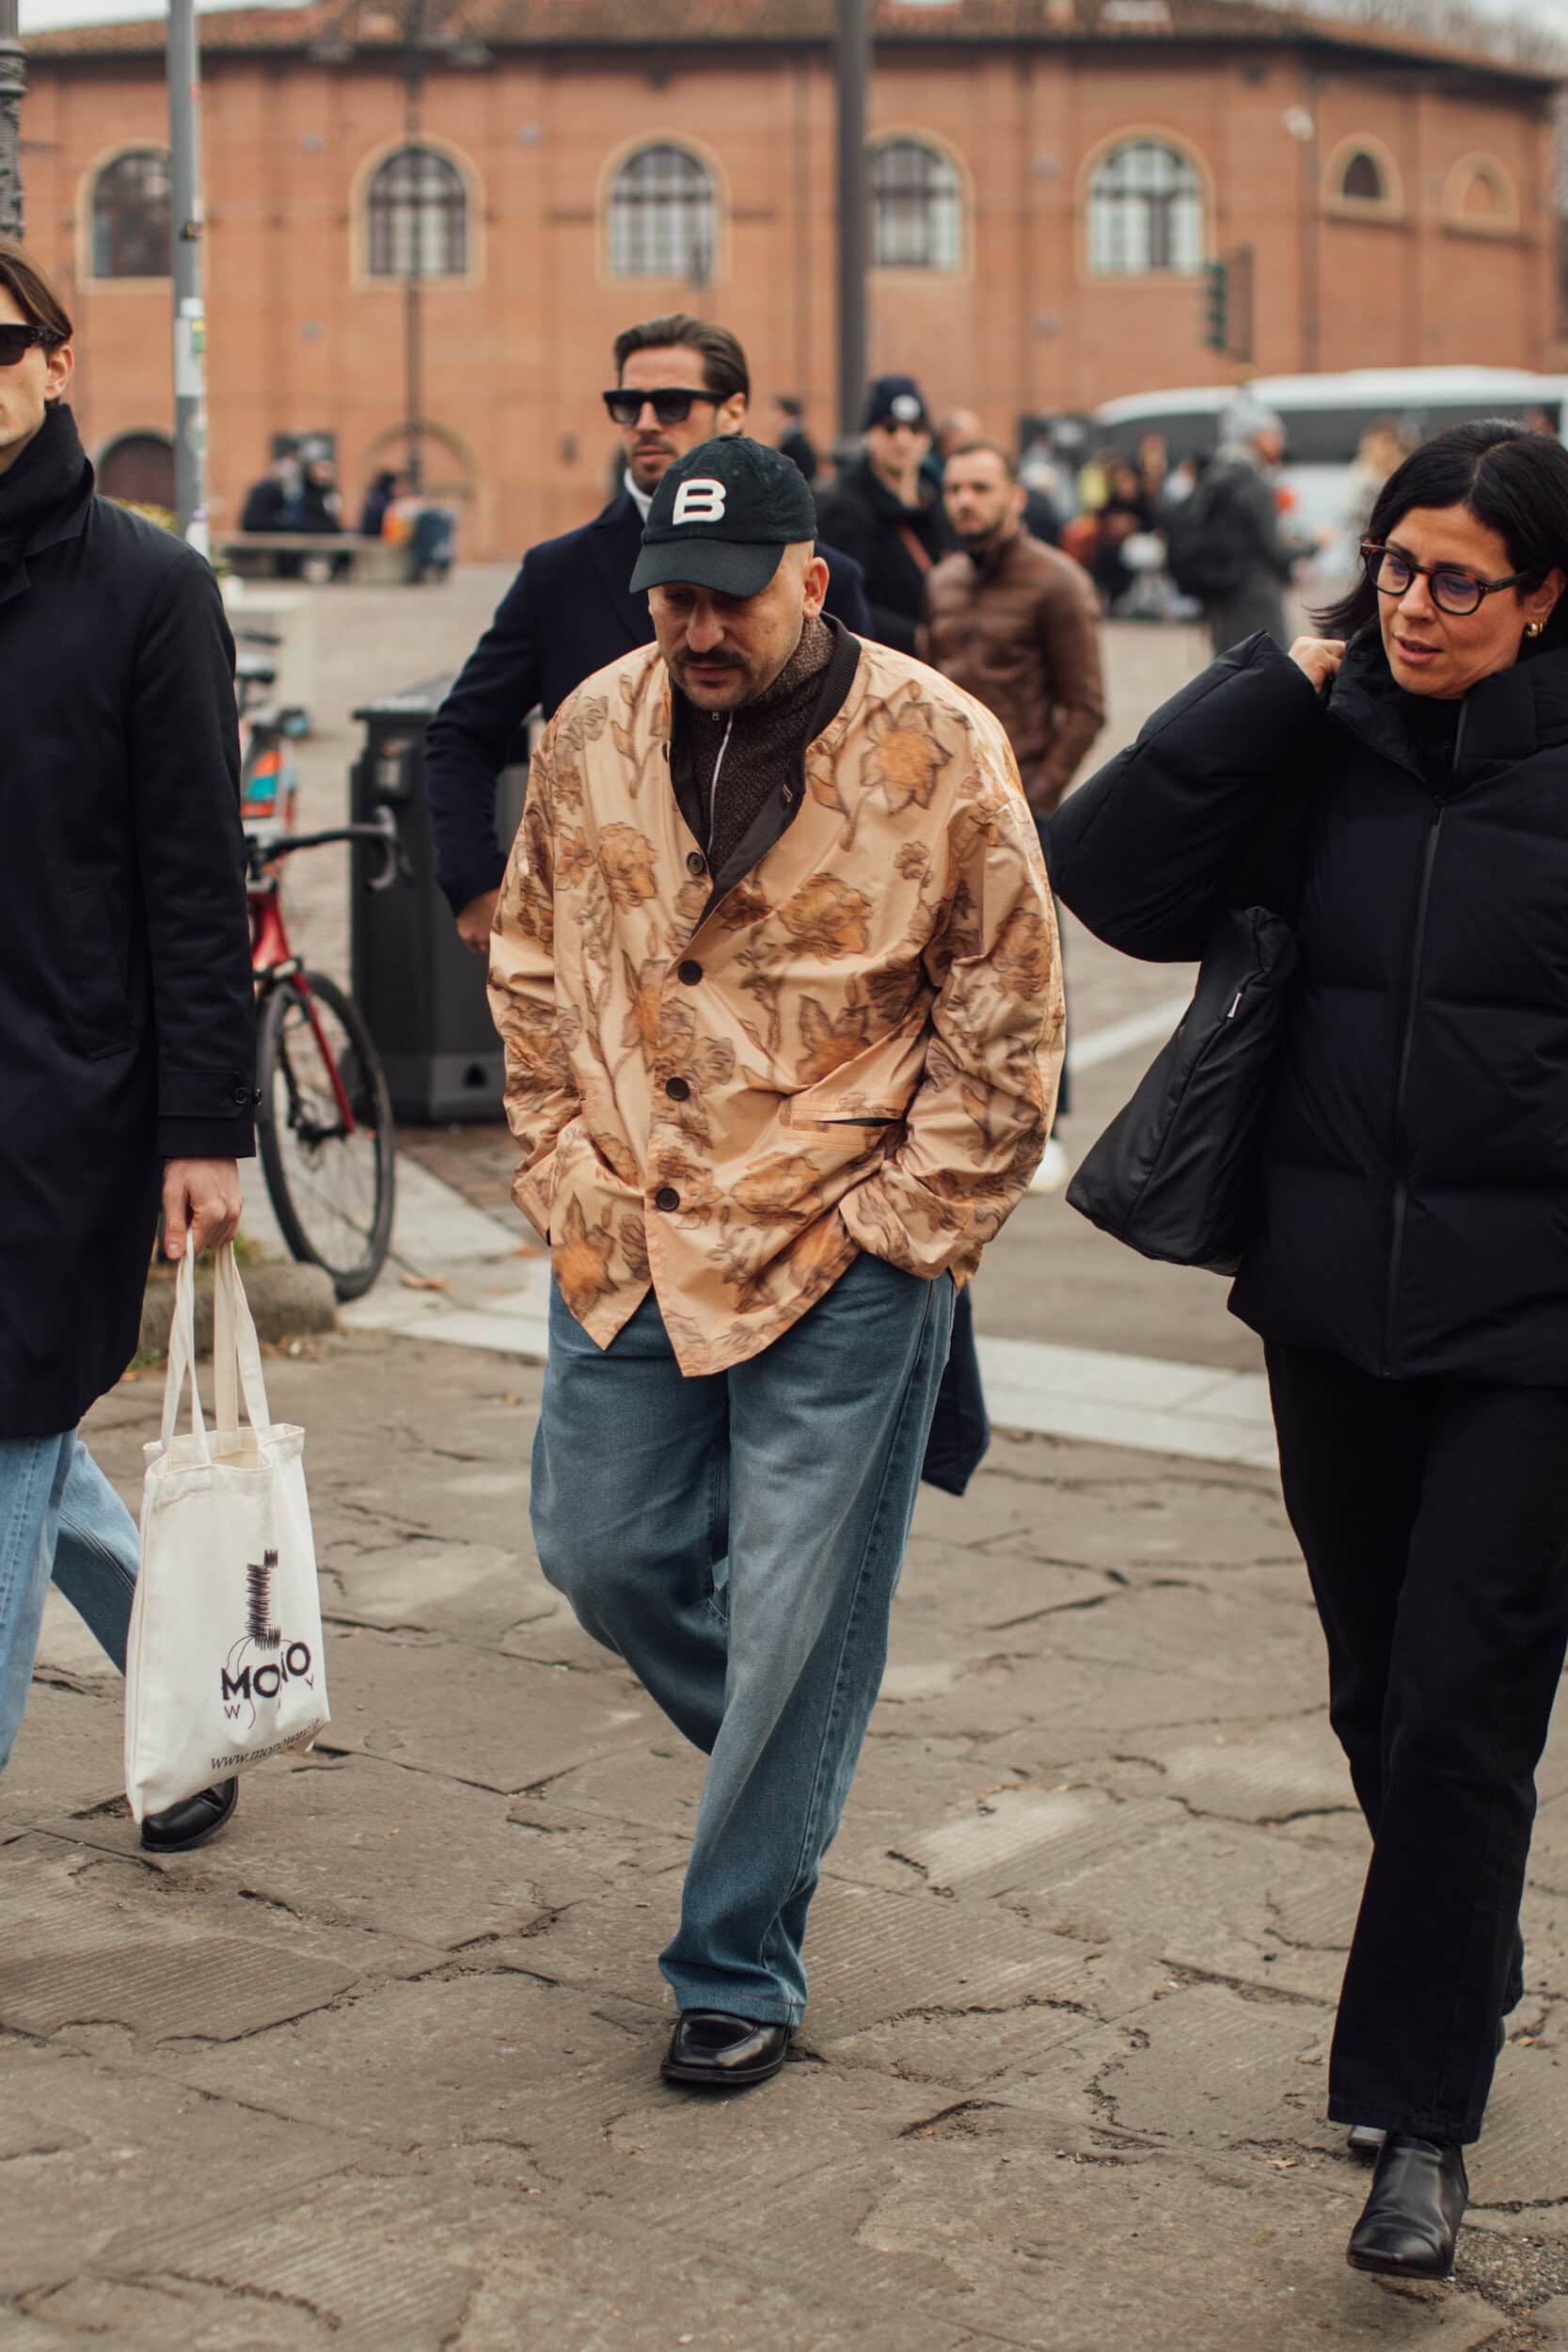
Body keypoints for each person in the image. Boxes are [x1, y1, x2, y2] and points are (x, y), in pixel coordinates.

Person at [1046, 418, 1568, 2282]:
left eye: (1460, 582)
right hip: (1325, 1297)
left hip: (1530, 1331)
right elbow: (1100, 877)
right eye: (1396, 568)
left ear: (1543, 596)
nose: (1418, 608)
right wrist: (1271, 679)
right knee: (1370, 1686)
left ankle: (1415, 2120)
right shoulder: (1314, 740)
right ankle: (1464, 1952)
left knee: (1455, 1704)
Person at [490, 436, 1061, 2089]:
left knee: (803, 1613)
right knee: (597, 1554)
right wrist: (550, 1153)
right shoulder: (593, 723)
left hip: (840, 1243)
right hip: (621, 1225)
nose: (695, 625)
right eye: (669, 593)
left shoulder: (941, 742)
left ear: (808, 577)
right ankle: (784, 1747)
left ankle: (733, 1957)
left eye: (727, 594)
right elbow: (531, 952)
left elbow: (1008, 1015)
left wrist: (908, 1233)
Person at [0, 241, 258, 1851]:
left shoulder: (149, 588)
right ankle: (203, 1698)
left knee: (9, 1429)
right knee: (31, 1452)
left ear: (51, 362)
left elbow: (190, 882)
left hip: (59, 1110)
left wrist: (203, 1126)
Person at [424, 314, 871, 958]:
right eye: (627, 404)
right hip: (606, 940)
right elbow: (462, 734)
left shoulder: (817, 576)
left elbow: (864, 764)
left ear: (733, 410)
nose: (645, 422)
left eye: (670, 403)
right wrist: (474, 885)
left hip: (778, 947)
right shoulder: (560, 573)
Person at [924, 438, 1103, 1195]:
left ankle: (1050, 1122)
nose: (965, 500)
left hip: (1023, 809)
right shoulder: (942, 582)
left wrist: (1035, 796)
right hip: (942, 812)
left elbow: (1085, 706)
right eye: (956, 488)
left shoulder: (1056, 583)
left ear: (1013, 497)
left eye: (979, 487)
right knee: (946, 964)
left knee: (1033, 970)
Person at [1164, 392, 1315, 654]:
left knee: (1228, 676)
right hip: (1256, 599)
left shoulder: (1216, 474)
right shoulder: (1256, 483)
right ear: (1256, 437)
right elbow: (1277, 551)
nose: (1281, 442)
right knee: (1269, 672)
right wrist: (1314, 545)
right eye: (1274, 434)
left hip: (1222, 594)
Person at [816, 373, 952, 653]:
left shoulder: (938, 502)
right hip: (879, 663)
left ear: (926, 439)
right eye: (890, 429)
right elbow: (836, 597)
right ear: (870, 435)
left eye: (914, 430)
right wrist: (914, 636)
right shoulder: (843, 507)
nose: (903, 441)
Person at [772, 394, 816, 484]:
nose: (773, 415)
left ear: (785, 412)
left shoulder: (792, 438)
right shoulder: (793, 434)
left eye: (777, 410)